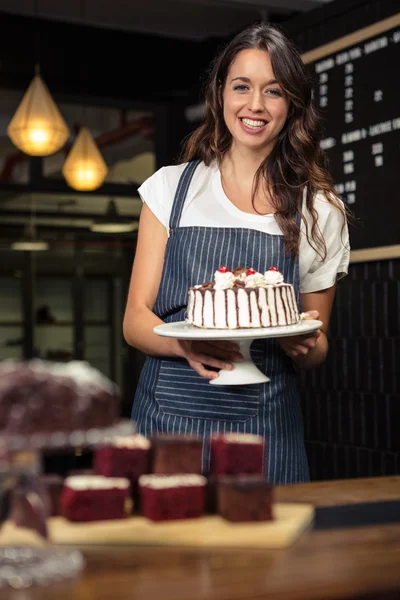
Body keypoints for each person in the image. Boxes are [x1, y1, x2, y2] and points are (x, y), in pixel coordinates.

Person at [123, 22, 350, 484]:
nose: (255, 105)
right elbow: (134, 321)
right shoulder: (171, 188)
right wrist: (186, 344)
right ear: (220, 93)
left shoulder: (320, 210)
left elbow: (317, 344)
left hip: (266, 429)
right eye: (241, 86)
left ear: (293, 105)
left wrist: (300, 345)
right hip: (169, 421)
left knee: (270, 552)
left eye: (274, 91)